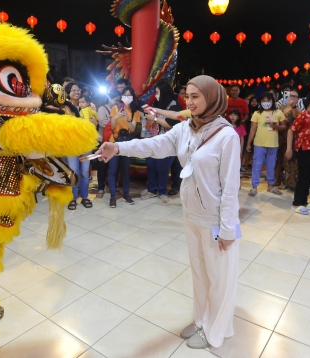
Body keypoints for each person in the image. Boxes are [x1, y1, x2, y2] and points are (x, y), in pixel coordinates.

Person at [97, 75, 240, 350]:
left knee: (219, 279)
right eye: (188, 95)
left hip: (214, 220)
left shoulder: (226, 136)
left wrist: (228, 229)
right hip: (191, 215)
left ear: (212, 97)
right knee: (200, 274)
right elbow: (154, 145)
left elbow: (231, 188)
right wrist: (117, 148)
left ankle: (215, 331)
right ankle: (201, 320)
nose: (190, 101)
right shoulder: (186, 128)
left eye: (196, 96)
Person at [142, 81, 182, 202]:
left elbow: (171, 124)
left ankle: (162, 191)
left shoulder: (175, 105)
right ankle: (151, 190)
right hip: (154, 139)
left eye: (158, 92)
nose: (156, 95)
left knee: (162, 167)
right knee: (151, 165)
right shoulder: (156, 103)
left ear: (164, 92)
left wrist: (154, 118)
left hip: (168, 141)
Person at [246, 92, 287, 196]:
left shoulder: (278, 112)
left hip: (273, 144)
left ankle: (271, 186)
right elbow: (252, 129)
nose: (266, 103)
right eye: (263, 101)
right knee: (257, 165)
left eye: (268, 101)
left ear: (272, 101)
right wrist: (248, 143)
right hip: (259, 143)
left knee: (271, 165)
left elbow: (284, 126)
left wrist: (275, 126)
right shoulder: (257, 113)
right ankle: (254, 187)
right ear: (261, 102)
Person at [107, 87, 139, 207]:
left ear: (132, 97)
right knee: (113, 170)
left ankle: (126, 194)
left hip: (127, 144)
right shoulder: (115, 108)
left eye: (129, 95)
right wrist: (116, 117)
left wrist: (128, 118)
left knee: (125, 170)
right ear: (121, 97)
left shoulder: (135, 112)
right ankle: (113, 196)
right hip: (114, 142)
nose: (127, 97)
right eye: (124, 95)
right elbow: (112, 126)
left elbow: (132, 129)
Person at [286, 91, 310, 217]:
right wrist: (289, 149)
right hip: (304, 150)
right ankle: (297, 203)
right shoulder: (303, 116)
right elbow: (291, 130)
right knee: (304, 176)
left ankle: (304, 201)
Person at [64, 81, 93, 210]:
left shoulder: (88, 105)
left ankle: (85, 197)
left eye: (78, 89)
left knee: (85, 172)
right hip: (72, 145)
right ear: (68, 93)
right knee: (74, 173)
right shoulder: (65, 108)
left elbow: (94, 123)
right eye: (73, 90)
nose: (77, 92)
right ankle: (73, 199)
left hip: (86, 144)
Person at [96, 91, 120, 198]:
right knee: (102, 166)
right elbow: (102, 122)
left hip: (114, 142)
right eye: (115, 100)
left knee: (114, 167)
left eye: (119, 100)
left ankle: (112, 186)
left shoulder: (119, 110)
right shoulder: (102, 109)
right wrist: (115, 120)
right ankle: (101, 188)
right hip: (104, 142)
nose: (117, 102)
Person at [276, 89, 302, 187]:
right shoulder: (282, 107)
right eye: (290, 95)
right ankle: (278, 179)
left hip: (291, 137)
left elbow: (297, 116)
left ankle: (290, 182)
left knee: (289, 158)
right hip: (279, 135)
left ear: (297, 99)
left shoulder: (297, 109)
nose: (291, 97)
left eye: (294, 96)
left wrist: (293, 106)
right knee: (279, 158)